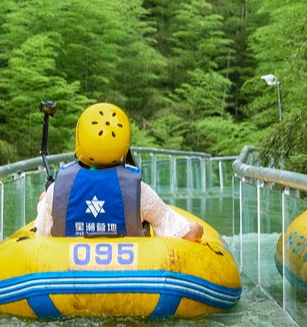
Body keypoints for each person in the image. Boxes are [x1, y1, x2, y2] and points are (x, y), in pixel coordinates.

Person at [35, 103, 204, 242]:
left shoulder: (56, 191)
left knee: (44, 199)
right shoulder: (140, 192)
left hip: (66, 271)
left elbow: (41, 235)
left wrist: (45, 200)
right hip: (132, 272)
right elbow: (184, 234)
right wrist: (198, 229)